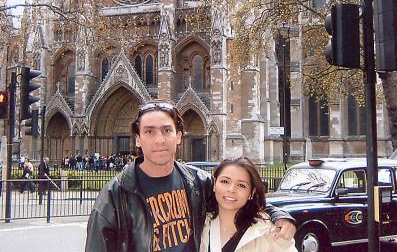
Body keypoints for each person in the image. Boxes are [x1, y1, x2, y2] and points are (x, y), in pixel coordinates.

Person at [85, 101, 296, 252]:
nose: (159, 140)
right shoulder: (115, 194)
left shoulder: (198, 182)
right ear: (138, 139)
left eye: (167, 131)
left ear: (178, 137)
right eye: (149, 132)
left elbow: (235, 197)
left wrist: (278, 215)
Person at [200, 157, 297, 252]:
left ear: (251, 192)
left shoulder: (268, 232)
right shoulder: (199, 226)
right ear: (214, 185)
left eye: (241, 185)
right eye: (225, 181)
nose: (231, 189)